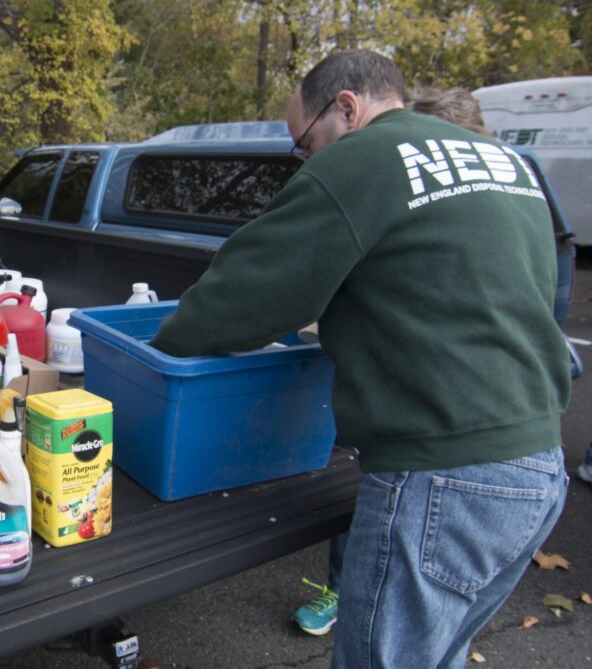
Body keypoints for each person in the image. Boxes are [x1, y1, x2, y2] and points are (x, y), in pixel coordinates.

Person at [149, 50, 571, 668]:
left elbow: (247, 297)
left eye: (306, 144)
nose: (309, 160)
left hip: (442, 473)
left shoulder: (363, 158)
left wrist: (157, 351)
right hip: (536, 466)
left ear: (346, 108)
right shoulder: (502, 161)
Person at [290, 84, 494, 638]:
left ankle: (353, 587)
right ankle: (346, 585)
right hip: (507, 455)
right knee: (433, 635)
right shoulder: (397, 185)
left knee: (396, 633)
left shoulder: (474, 208)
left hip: (439, 446)